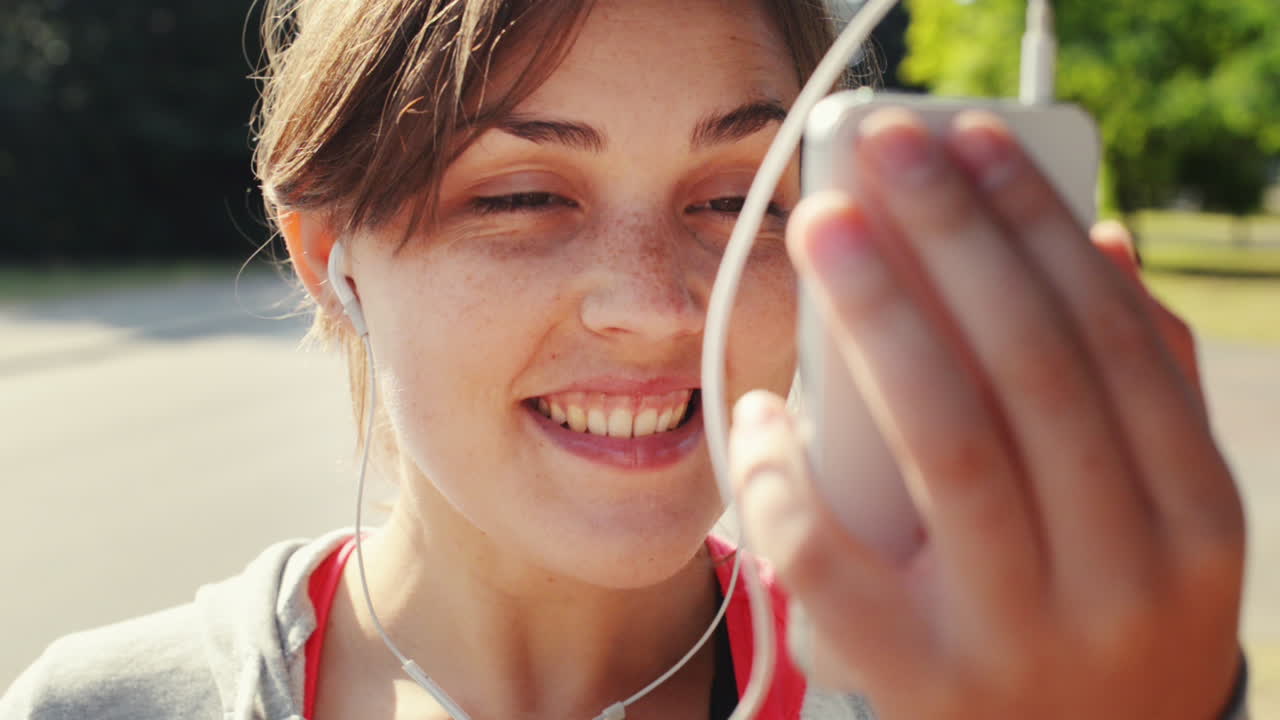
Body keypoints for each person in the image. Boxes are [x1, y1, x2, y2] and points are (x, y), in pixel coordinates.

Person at [1, 0, 1248, 718]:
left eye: (737, 201)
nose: (653, 310)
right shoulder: (99, 708)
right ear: (331, 255)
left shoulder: (951, 695)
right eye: (522, 196)